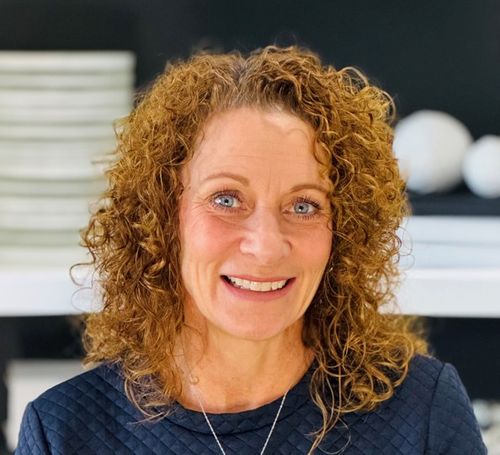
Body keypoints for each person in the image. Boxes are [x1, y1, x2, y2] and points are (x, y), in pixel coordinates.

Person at [15, 46, 486, 454]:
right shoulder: (65, 431)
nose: (265, 246)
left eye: (303, 205)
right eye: (226, 200)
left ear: (343, 231)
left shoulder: (421, 411)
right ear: (161, 218)